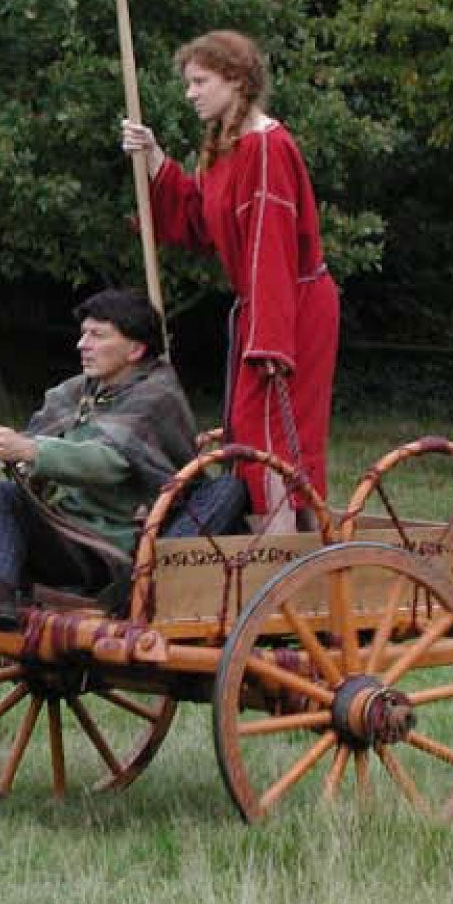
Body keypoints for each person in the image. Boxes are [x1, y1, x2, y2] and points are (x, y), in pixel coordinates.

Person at [120, 29, 339, 531]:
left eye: (200, 81)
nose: (190, 93)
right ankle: (280, 543)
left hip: (290, 306)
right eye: (189, 82)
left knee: (275, 432)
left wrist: (270, 342)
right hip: (263, 306)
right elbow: (200, 218)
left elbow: (271, 247)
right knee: (250, 427)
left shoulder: (267, 148)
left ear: (236, 81)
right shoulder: (226, 146)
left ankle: (279, 551)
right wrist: (153, 155)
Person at [0, 289, 197, 629]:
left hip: (110, 551)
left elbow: (109, 462)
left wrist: (31, 451)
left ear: (135, 349)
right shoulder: (76, 392)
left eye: (97, 335)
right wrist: (16, 455)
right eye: (83, 334)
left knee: (0, 497)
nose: (82, 344)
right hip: (63, 532)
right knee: (2, 496)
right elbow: (36, 449)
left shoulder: (157, 396)